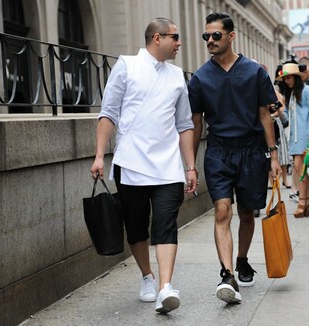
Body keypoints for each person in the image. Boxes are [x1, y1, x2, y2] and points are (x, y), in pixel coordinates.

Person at [90, 18, 197, 314]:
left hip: (167, 167)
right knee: (136, 227)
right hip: (131, 162)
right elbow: (108, 113)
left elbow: (185, 124)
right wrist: (100, 155)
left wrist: (190, 166)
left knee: (165, 223)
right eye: (175, 38)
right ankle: (147, 277)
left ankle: (165, 287)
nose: (179, 43)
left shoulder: (177, 76)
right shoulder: (126, 65)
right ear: (157, 38)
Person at [188, 12, 281, 304]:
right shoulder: (200, 78)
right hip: (218, 151)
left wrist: (274, 156)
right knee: (222, 211)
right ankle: (226, 274)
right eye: (207, 36)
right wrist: (190, 164)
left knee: (247, 213)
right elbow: (196, 122)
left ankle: (242, 259)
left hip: (252, 150)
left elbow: (265, 115)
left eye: (216, 35)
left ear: (231, 36)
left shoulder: (254, 72)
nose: (210, 41)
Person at [276, 62, 309, 218]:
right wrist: (279, 111)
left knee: (300, 168)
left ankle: (303, 200)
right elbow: (287, 118)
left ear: (295, 77)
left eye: (288, 78)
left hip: (305, 135)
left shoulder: (307, 91)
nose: (286, 81)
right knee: (299, 168)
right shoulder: (292, 95)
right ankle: (308, 199)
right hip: (294, 137)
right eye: (284, 79)